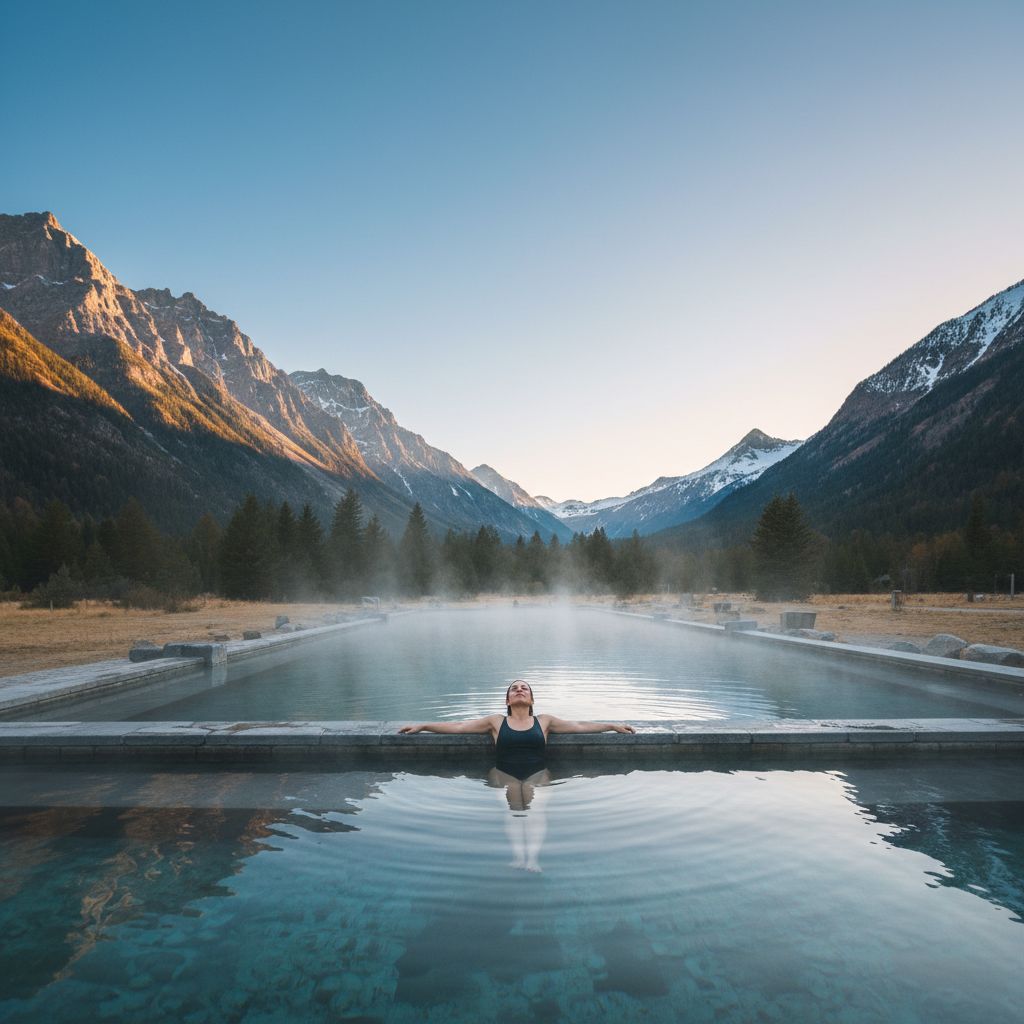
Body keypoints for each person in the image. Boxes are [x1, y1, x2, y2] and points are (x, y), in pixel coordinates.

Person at [398, 680, 635, 871]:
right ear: (507, 700)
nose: (519, 690)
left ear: (531, 699)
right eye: (514, 688)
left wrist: (612, 725)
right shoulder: (496, 721)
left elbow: (580, 726)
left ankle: (532, 858)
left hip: (538, 773)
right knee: (513, 807)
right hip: (502, 773)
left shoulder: (544, 721)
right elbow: (460, 726)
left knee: (536, 809)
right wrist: (424, 725)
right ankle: (517, 856)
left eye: (524, 688)